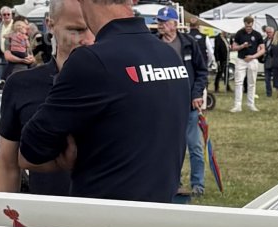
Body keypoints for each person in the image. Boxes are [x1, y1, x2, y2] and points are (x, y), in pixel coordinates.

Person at [19, 0, 190, 204]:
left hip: (104, 219)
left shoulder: (92, 61)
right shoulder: (168, 55)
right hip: (159, 212)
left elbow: (30, 152)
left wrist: (65, 157)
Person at [0, 0, 93, 196]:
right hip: (46, 217)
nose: (88, 39)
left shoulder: (123, 82)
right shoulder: (23, 85)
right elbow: (6, 164)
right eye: (77, 30)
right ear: (50, 25)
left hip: (113, 220)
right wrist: (1, 221)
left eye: (95, 29)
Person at [154, 5, 208, 198]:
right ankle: (172, 184)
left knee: (194, 146)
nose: (160, 25)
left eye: (164, 22)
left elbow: (201, 71)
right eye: (159, 21)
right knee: (168, 148)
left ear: (175, 24)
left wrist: (196, 94)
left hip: (188, 105)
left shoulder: (188, 43)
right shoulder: (154, 45)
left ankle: (198, 185)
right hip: (163, 106)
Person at [230, 15, 264, 112]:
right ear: (244, 24)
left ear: (252, 24)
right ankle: (237, 105)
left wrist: (253, 56)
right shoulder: (239, 33)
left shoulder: (257, 35)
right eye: (246, 26)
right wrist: (242, 46)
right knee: (238, 82)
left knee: (252, 83)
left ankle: (251, 104)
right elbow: (234, 47)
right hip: (241, 59)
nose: (248, 28)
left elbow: (263, 49)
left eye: (250, 26)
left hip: (252, 60)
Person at [2, 13, 34, 78]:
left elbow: (31, 55)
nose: (27, 26)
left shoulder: (26, 38)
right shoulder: (10, 38)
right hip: (15, 71)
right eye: (25, 24)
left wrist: (32, 59)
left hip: (28, 70)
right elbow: (8, 56)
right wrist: (22, 60)